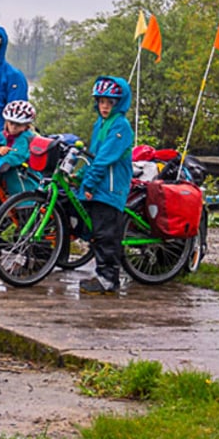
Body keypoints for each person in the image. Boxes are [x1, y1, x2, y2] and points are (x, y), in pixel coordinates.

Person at [78, 75, 134, 294]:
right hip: (98, 183)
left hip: (111, 187)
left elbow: (104, 158)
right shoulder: (100, 123)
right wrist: (82, 176)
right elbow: (93, 155)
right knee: (94, 230)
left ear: (118, 103)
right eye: (101, 101)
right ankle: (100, 271)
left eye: (109, 102)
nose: (104, 106)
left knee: (105, 234)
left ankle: (108, 278)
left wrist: (89, 184)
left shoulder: (121, 126)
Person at [0, 99, 39, 195]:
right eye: (11, 123)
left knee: (23, 200)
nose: (13, 127)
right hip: (2, 179)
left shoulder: (26, 138)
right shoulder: (2, 135)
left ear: (26, 125)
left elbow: (17, 157)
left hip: (23, 180)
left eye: (18, 124)